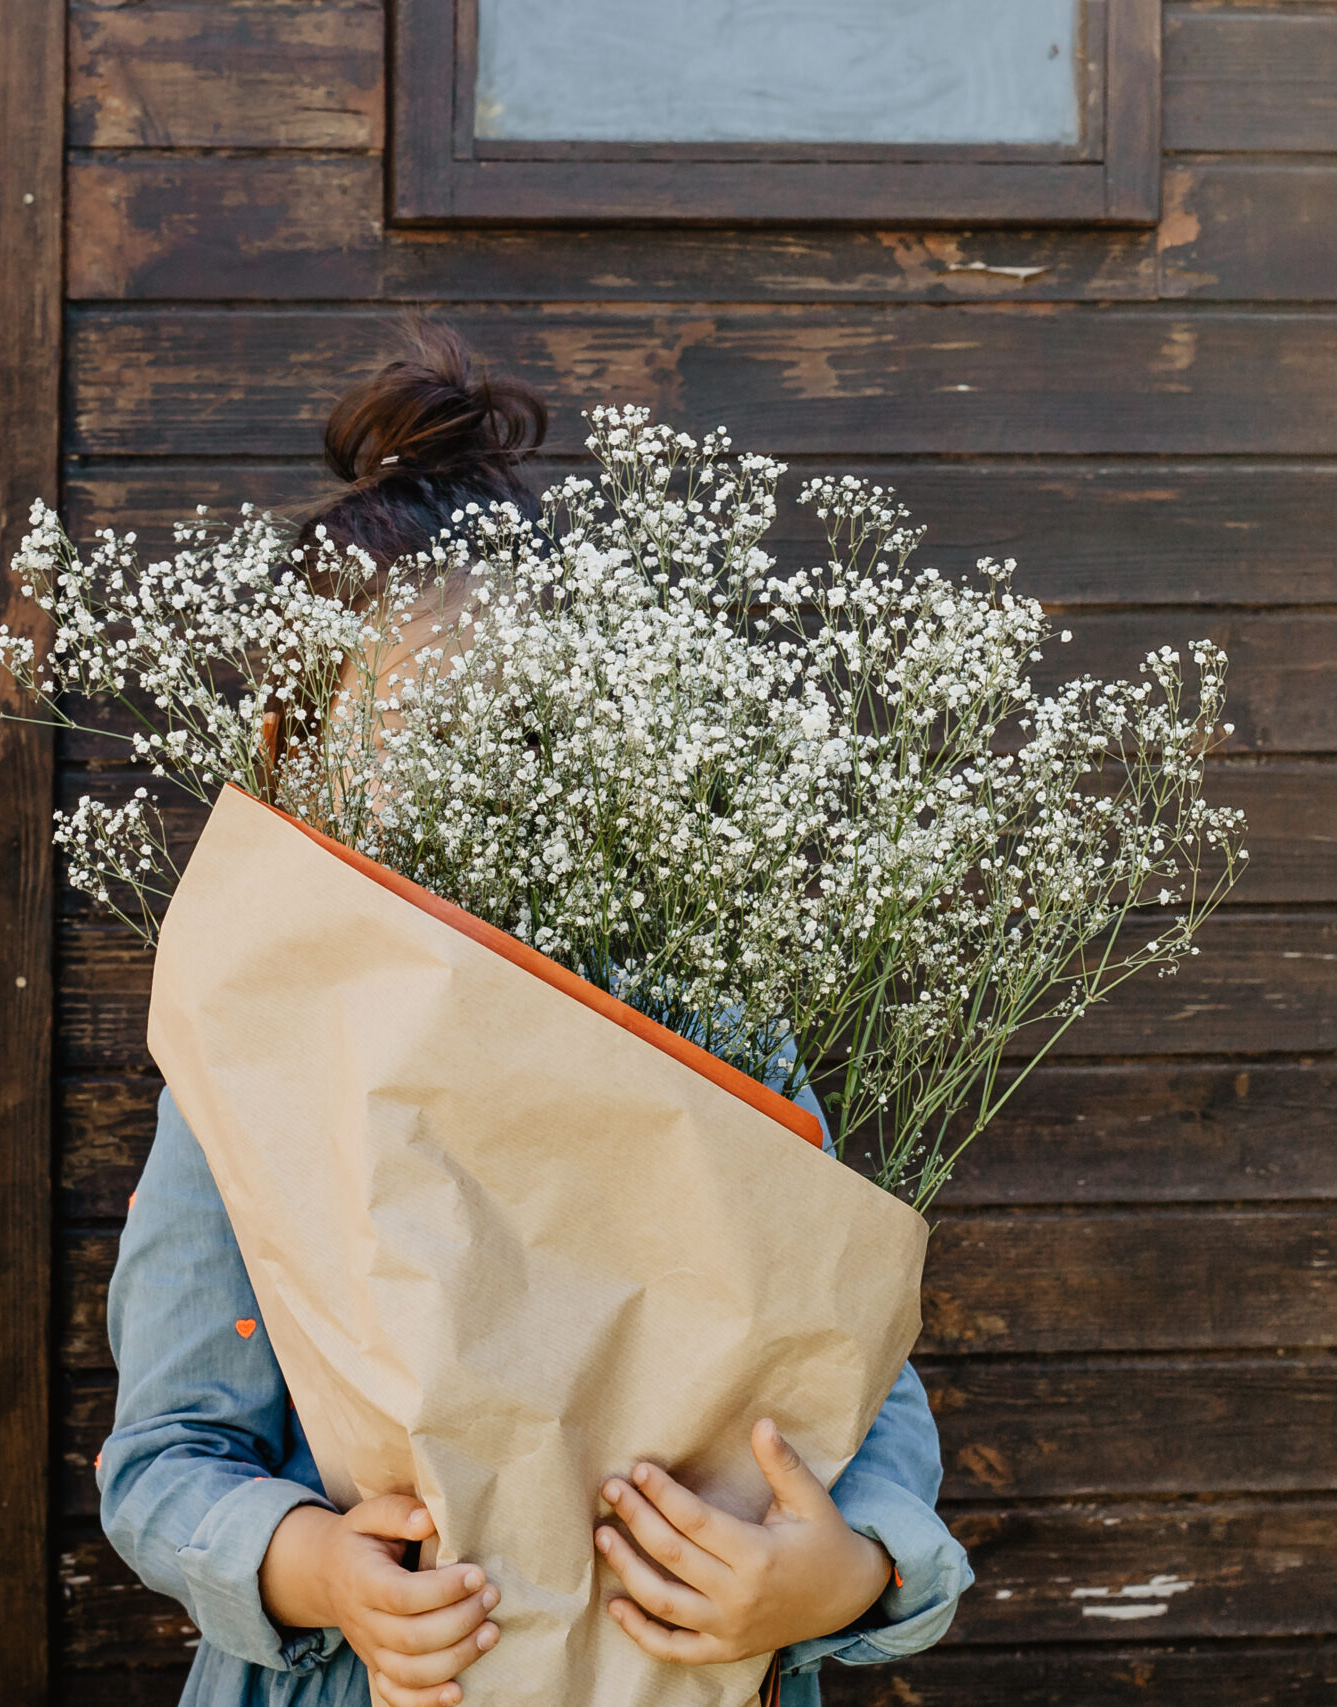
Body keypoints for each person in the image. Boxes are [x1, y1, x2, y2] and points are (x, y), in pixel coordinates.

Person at [95, 324, 974, 1707]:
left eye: (529, 739)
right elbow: (164, 1461)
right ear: (295, 755)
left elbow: (864, 1413)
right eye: (429, 744)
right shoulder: (261, 1060)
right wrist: (318, 1567)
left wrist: (844, 1576)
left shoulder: (704, 1021)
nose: (479, 790)